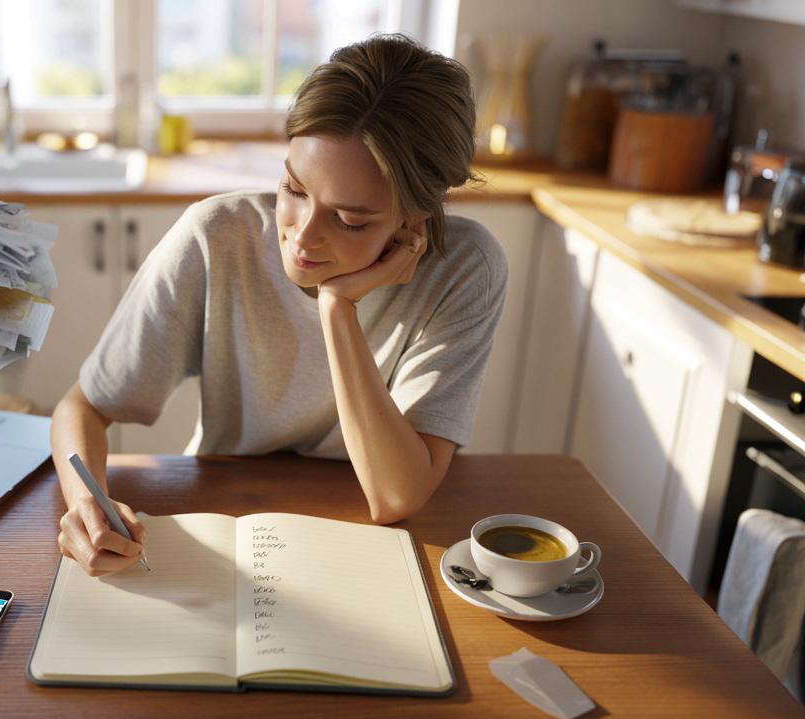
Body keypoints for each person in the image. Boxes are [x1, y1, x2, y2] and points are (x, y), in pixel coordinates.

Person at [51, 34, 508, 577]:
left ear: (414, 218)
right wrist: (85, 505)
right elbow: (82, 408)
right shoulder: (216, 236)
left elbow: (395, 497)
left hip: (369, 545)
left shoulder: (465, 267)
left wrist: (338, 308)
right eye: (294, 189)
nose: (303, 237)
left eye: (350, 221)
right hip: (226, 522)